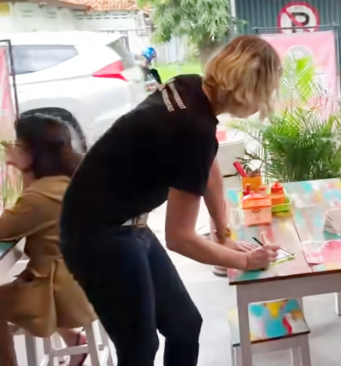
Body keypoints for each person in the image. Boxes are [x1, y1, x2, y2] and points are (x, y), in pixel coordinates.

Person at [59, 35, 282, 366]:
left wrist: (223, 231)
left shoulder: (190, 89)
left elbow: (207, 165)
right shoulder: (191, 128)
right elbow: (180, 238)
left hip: (127, 222)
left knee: (184, 325)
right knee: (139, 348)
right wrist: (245, 262)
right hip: (96, 235)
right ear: (251, 88)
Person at [0, 115, 96, 366]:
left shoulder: (40, 196)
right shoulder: (66, 181)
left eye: (13, 144)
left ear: (30, 152)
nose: (8, 149)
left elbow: (4, 228)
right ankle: (75, 340)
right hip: (86, 281)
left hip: (62, 293)